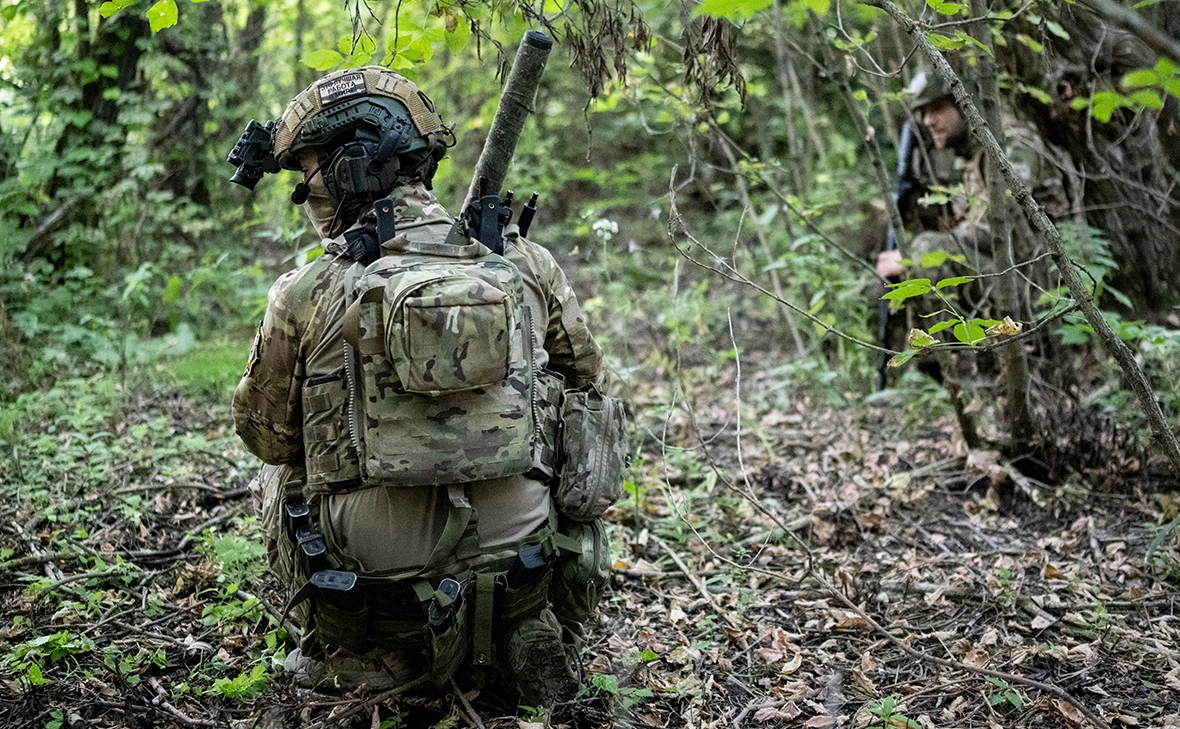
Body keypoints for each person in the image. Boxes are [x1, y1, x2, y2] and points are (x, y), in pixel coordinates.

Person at [228, 67, 623, 709]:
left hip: (370, 588)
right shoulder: (523, 262)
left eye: (310, 173)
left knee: (280, 477)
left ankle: (361, 652)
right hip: (520, 566)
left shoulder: (305, 291)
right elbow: (590, 385)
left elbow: (266, 438)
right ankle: (524, 622)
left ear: (354, 167)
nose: (307, 191)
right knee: (575, 414)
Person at [877, 70, 1071, 319]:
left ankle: (963, 355)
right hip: (1016, 275)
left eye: (936, 108)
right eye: (924, 113)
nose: (928, 121)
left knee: (926, 250)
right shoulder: (972, 156)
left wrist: (910, 257)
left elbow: (997, 225)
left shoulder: (1012, 142)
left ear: (963, 105)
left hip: (1045, 286)